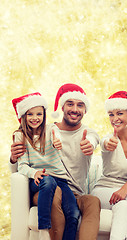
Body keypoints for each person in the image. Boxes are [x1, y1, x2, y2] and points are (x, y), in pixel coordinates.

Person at [10, 84, 101, 240]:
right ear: (62, 106)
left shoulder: (88, 133)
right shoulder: (46, 130)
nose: (75, 109)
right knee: (55, 191)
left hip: (74, 192)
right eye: (70, 104)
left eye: (80, 105)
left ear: (85, 110)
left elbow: (93, 140)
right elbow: (21, 167)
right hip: (46, 189)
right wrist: (13, 158)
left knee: (93, 201)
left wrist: (90, 145)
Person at [91, 91, 127, 240]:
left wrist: (124, 190)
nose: (115, 119)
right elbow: (105, 144)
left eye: (120, 114)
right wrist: (107, 144)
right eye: (111, 114)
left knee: (123, 206)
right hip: (104, 191)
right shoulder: (108, 139)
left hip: (125, 194)